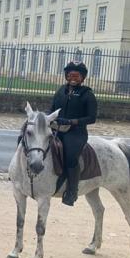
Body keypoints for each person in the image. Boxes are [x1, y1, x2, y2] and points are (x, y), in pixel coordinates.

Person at [50, 60, 97, 206]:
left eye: (77, 76)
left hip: (76, 133)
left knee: (70, 157)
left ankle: (71, 191)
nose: (73, 78)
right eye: (70, 75)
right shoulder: (60, 91)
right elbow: (51, 109)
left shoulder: (87, 95)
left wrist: (72, 122)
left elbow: (91, 118)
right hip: (57, 128)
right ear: (66, 76)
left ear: (82, 78)